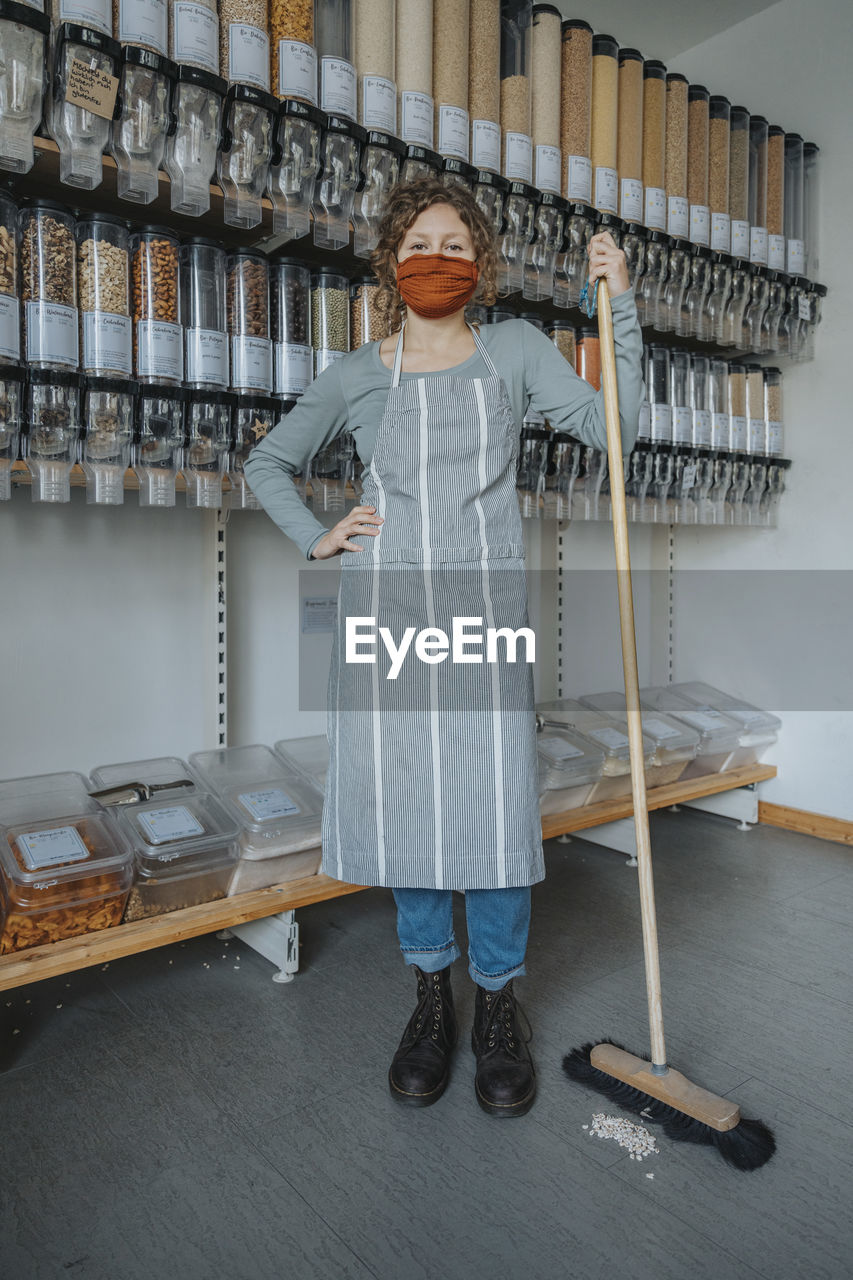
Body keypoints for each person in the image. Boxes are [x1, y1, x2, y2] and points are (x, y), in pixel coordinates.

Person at [244, 177, 644, 1119]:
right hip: (383, 613)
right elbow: (268, 459)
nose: (439, 257)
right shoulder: (358, 372)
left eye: (458, 246)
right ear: (392, 260)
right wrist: (319, 534)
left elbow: (608, 429)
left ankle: (498, 1002)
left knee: (496, 810)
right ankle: (432, 999)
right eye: (422, 242)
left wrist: (617, 305)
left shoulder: (511, 349)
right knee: (412, 808)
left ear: (481, 264)